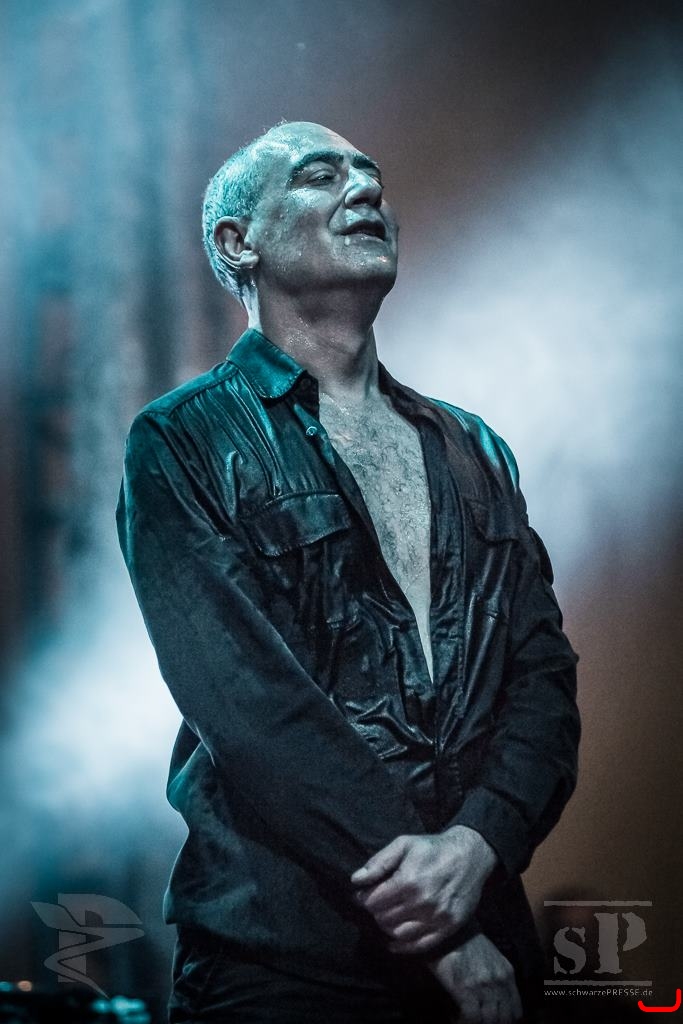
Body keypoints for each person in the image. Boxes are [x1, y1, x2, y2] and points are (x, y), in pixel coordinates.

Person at [116, 121, 581, 1024]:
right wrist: (436, 923)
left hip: (488, 935)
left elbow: (542, 678)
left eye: (369, 175)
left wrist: (479, 843)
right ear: (237, 242)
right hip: (286, 960)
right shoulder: (181, 440)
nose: (364, 189)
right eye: (319, 176)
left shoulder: (472, 447)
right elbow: (251, 704)